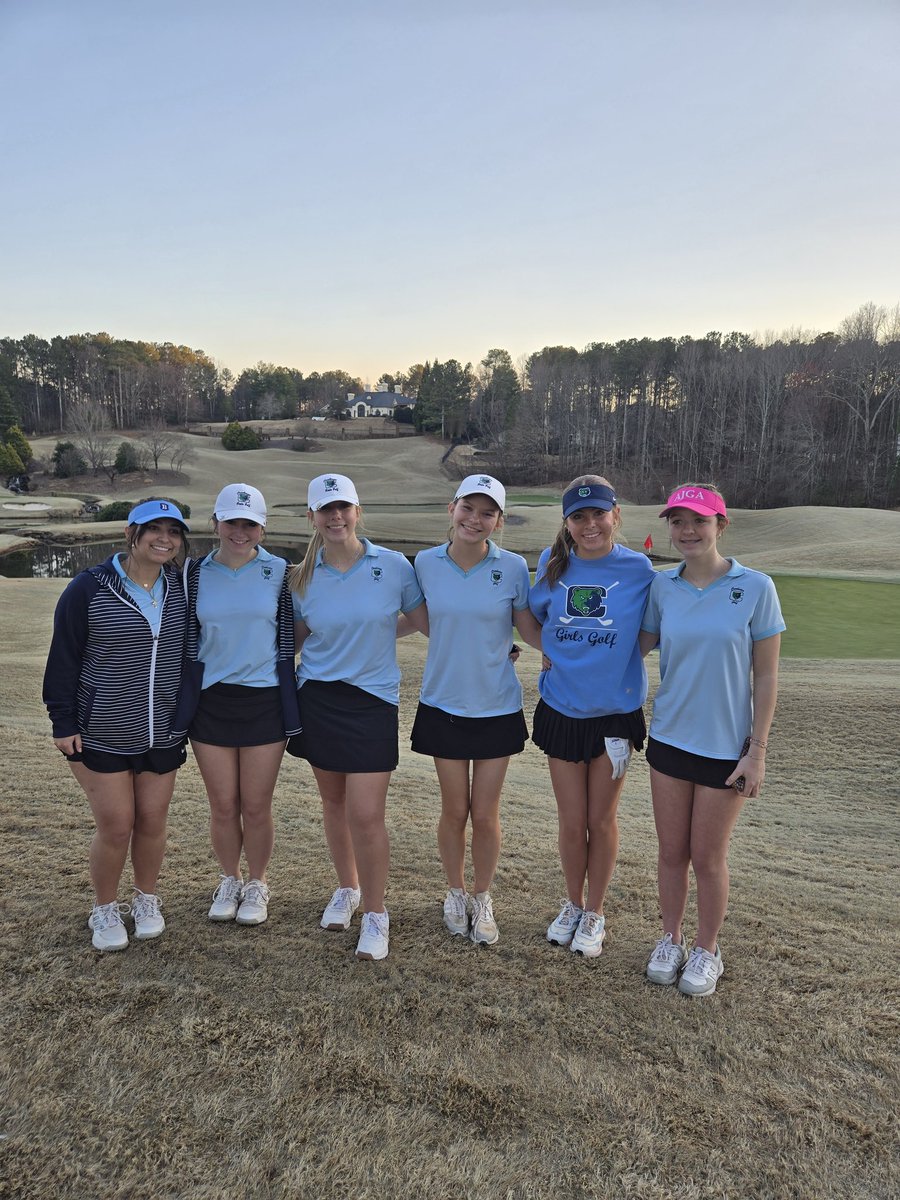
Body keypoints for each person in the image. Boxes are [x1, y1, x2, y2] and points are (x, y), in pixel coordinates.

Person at [639, 483, 784, 996]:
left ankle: (706, 948)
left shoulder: (756, 587)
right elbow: (633, 645)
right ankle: (671, 939)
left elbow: (765, 678)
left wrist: (757, 752)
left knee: (708, 857)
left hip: (727, 748)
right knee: (670, 852)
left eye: (699, 521)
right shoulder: (662, 586)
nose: (687, 531)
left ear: (721, 526)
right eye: (678, 522)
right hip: (670, 738)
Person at [287, 473, 427, 961]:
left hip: (372, 700)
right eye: (325, 509)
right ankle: (347, 889)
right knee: (333, 804)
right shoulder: (302, 576)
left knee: (366, 814)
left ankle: (375, 912)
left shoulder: (392, 566)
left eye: (343, 507)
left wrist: (496, 649)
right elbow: (297, 640)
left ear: (357, 511)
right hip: (318, 699)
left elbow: (424, 621)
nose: (335, 517)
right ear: (312, 517)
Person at [43, 499, 190, 951]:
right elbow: (63, 659)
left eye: (173, 530)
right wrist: (62, 721)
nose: (163, 538)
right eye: (154, 529)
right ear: (132, 533)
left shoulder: (182, 589)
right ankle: (105, 908)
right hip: (102, 728)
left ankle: (145, 899)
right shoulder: (89, 587)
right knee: (116, 825)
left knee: (151, 821)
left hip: (161, 729)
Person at [410, 474, 543, 945]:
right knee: (454, 809)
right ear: (453, 508)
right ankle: (455, 891)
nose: (476, 519)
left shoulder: (511, 567)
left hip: (496, 705)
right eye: (469, 507)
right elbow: (414, 617)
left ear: (498, 520)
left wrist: (568, 656)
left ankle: (482, 896)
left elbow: (527, 627)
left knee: (485, 813)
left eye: (488, 512)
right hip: (443, 702)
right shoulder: (424, 563)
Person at [528, 475, 654, 957]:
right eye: (579, 517)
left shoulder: (639, 568)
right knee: (570, 819)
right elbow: (533, 618)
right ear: (568, 523)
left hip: (614, 717)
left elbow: (653, 628)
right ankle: (573, 904)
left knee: (600, 820)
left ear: (615, 515)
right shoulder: (552, 563)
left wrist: (620, 658)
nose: (590, 524)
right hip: (562, 707)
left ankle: (596, 913)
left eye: (599, 514)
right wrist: (549, 651)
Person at [175, 483, 300, 927]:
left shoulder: (281, 573)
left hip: (265, 701)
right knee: (223, 804)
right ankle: (230, 879)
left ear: (262, 529)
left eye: (250, 524)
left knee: (256, 806)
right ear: (216, 525)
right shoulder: (192, 573)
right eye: (232, 522)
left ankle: (258, 884)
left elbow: (313, 623)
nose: (240, 532)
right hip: (211, 703)